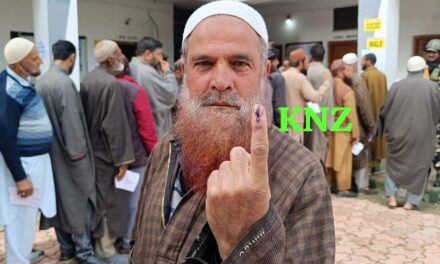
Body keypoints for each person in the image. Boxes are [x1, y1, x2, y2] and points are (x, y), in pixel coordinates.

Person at [130, 1, 335, 263]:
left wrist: (242, 240)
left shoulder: (302, 174)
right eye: (204, 63)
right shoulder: (166, 148)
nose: (221, 82)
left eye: (239, 63)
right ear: (184, 72)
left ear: (264, 73)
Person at [35, 40, 101, 264]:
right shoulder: (63, 83)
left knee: (58, 204)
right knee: (80, 202)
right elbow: (72, 121)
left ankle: (66, 249)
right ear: (72, 57)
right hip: (72, 157)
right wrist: (79, 154)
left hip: (51, 155)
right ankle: (84, 253)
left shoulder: (41, 80)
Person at [0, 37, 56, 264]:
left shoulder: (19, 82)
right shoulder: (9, 90)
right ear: (17, 64)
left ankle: (21, 256)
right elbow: (4, 138)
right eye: (34, 58)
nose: (40, 60)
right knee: (19, 221)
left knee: (26, 222)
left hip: (33, 164)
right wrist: (21, 178)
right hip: (23, 168)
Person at [80, 40, 135, 264]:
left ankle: (97, 246)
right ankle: (106, 249)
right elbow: (115, 127)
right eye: (120, 53)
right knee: (109, 201)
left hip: (91, 151)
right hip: (107, 155)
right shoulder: (111, 84)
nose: (123, 57)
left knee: (97, 198)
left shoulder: (88, 79)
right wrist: (123, 160)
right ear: (111, 58)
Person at [379, 56, 440, 210]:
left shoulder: (396, 86)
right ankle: (410, 202)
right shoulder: (432, 87)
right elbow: (437, 112)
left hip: (398, 134)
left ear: (408, 70)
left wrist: (385, 129)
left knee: (393, 165)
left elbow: (385, 109)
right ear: (423, 69)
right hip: (422, 135)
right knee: (420, 165)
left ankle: (392, 198)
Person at [116, 56, 158, 253]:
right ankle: (127, 241)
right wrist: (155, 153)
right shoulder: (134, 90)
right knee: (134, 203)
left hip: (108, 156)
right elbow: (146, 127)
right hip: (136, 155)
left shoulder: (102, 85)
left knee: (116, 199)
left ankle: (116, 238)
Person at [130, 37, 179, 137]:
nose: (160, 58)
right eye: (158, 54)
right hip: (155, 126)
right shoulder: (146, 71)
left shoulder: (131, 66)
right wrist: (168, 72)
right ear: (148, 54)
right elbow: (170, 95)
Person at [325, 59, 360, 198]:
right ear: (340, 71)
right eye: (345, 69)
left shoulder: (328, 86)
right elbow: (351, 115)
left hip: (329, 127)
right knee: (343, 161)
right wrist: (356, 133)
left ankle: (328, 184)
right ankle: (342, 188)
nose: (348, 72)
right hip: (343, 128)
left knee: (330, 158)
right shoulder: (347, 90)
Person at [342, 53, 376, 194]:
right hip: (355, 123)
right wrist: (370, 125)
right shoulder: (357, 79)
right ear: (355, 65)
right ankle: (361, 186)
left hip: (339, 123)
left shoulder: (336, 77)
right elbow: (364, 104)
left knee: (344, 154)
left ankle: (345, 182)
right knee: (360, 154)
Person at [282, 48, 329, 143]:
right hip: (296, 125)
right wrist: (326, 83)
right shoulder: (300, 78)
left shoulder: (283, 75)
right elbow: (315, 97)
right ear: (300, 62)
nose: (308, 64)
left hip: (283, 122)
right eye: (307, 61)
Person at [304, 44, 334, 166]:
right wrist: (329, 124)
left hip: (305, 114)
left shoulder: (306, 70)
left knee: (307, 148)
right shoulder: (325, 73)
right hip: (321, 116)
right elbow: (328, 99)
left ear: (311, 56)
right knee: (319, 152)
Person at [361, 53, 387, 174]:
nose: (362, 63)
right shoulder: (382, 76)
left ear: (369, 62)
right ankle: (377, 165)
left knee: (370, 138)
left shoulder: (364, 76)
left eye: (363, 60)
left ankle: (370, 165)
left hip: (369, 112)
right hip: (381, 112)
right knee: (380, 137)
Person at [267, 47, 286, 127]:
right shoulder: (278, 78)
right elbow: (280, 106)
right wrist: (284, 126)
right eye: (275, 60)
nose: (278, 63)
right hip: (274, 126)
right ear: (269, 63)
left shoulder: (259, 78)